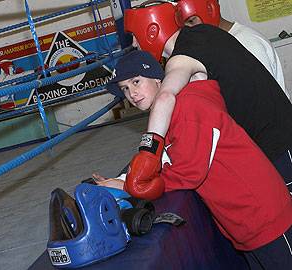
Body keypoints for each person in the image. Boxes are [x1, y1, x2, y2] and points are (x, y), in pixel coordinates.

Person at [102, 49, 292, 270]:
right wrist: (124, 178)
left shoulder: (189, 106)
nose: (132, 93)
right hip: (244, 222)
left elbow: (188, 172)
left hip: (264, 217)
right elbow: (164, 161)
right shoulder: (166, 118)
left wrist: (130, 186)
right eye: (125, 88)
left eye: (136, 81)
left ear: (157, 78)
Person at [121, 1, 292, 192]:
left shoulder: (182, 59)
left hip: (275, 146)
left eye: (134, 36)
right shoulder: (206, 34)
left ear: (152, 31)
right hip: (277, 138)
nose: (134, 44)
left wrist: (147, 153)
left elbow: (165, 97)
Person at [174, 0, 289, 99]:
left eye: (191, 21)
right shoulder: (212, 45)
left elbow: (263, 105)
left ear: (211, 9)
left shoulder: (248, 43)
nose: (188, 31)